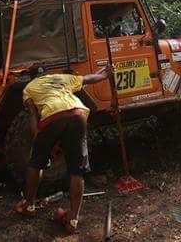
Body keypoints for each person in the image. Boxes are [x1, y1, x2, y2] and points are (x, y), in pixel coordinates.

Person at [15, 65, 111, 234]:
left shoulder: (29, 88)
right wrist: (106, 74)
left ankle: (29, 206)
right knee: (76, 170)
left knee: (36, 163)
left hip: (52, 116)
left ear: (32, 78)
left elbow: (32, 115)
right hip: (77, 114)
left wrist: (39, 137)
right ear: (47, 74)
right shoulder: (61, 78)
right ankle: (72, 219)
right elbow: (89, 78)